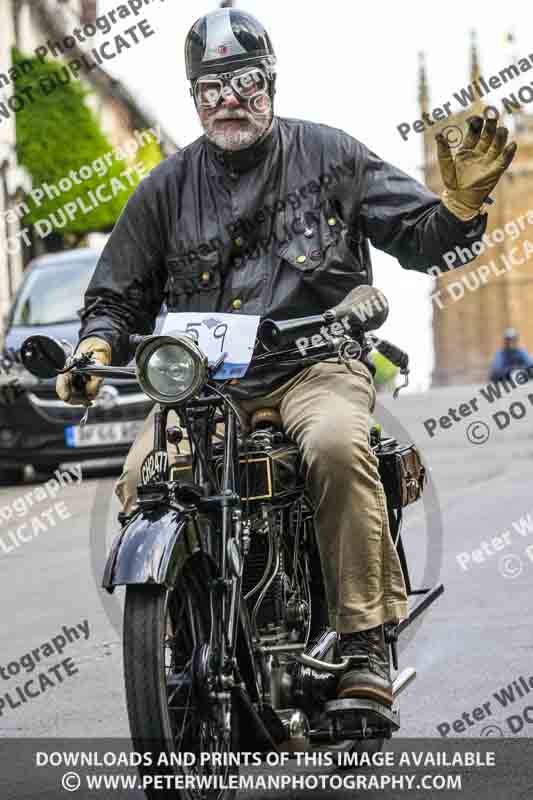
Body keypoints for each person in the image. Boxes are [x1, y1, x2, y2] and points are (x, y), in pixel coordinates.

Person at [56, 8, 516, 708]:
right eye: (210, 90)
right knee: (142, 472)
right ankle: (183, 626)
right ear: (193, 97)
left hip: (314, 367)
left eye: (242, 82)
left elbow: (427, 245)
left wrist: (457, 206)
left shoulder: (331, 155)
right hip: (204, 386)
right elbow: (117, 295)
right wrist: (94, 347)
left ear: (269, 81)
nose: (228, 100)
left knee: (335, 446)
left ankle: (362, 644)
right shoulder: (165, 188)